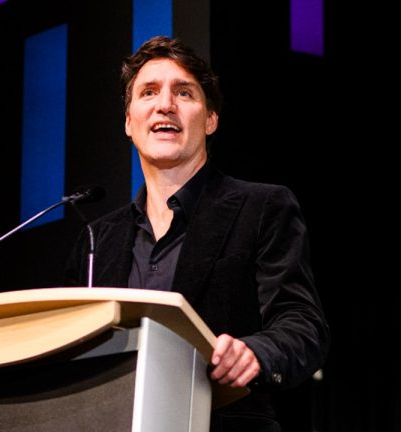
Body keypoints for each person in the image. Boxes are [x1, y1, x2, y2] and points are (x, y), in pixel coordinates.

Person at [64, 35, 329, 432]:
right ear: (128, 122)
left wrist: (255, 352)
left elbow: (303, 325)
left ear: (210, 119)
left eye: (184, 92)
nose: (165, 104)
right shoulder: (95, 240)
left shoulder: (261, 207)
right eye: (148, 92)